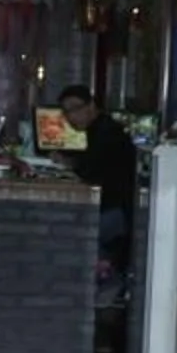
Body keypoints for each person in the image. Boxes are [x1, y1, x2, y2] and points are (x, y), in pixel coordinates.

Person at [55, 86, 136, 299]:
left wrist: (67, 163)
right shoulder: (102, 129)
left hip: (113, 213)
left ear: (91, 106)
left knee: (70, 233)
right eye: (66, 112)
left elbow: (91, 170)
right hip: (114, 210)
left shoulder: (107, 133)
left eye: (75, 109)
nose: (71, 116)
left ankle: (102, 288)